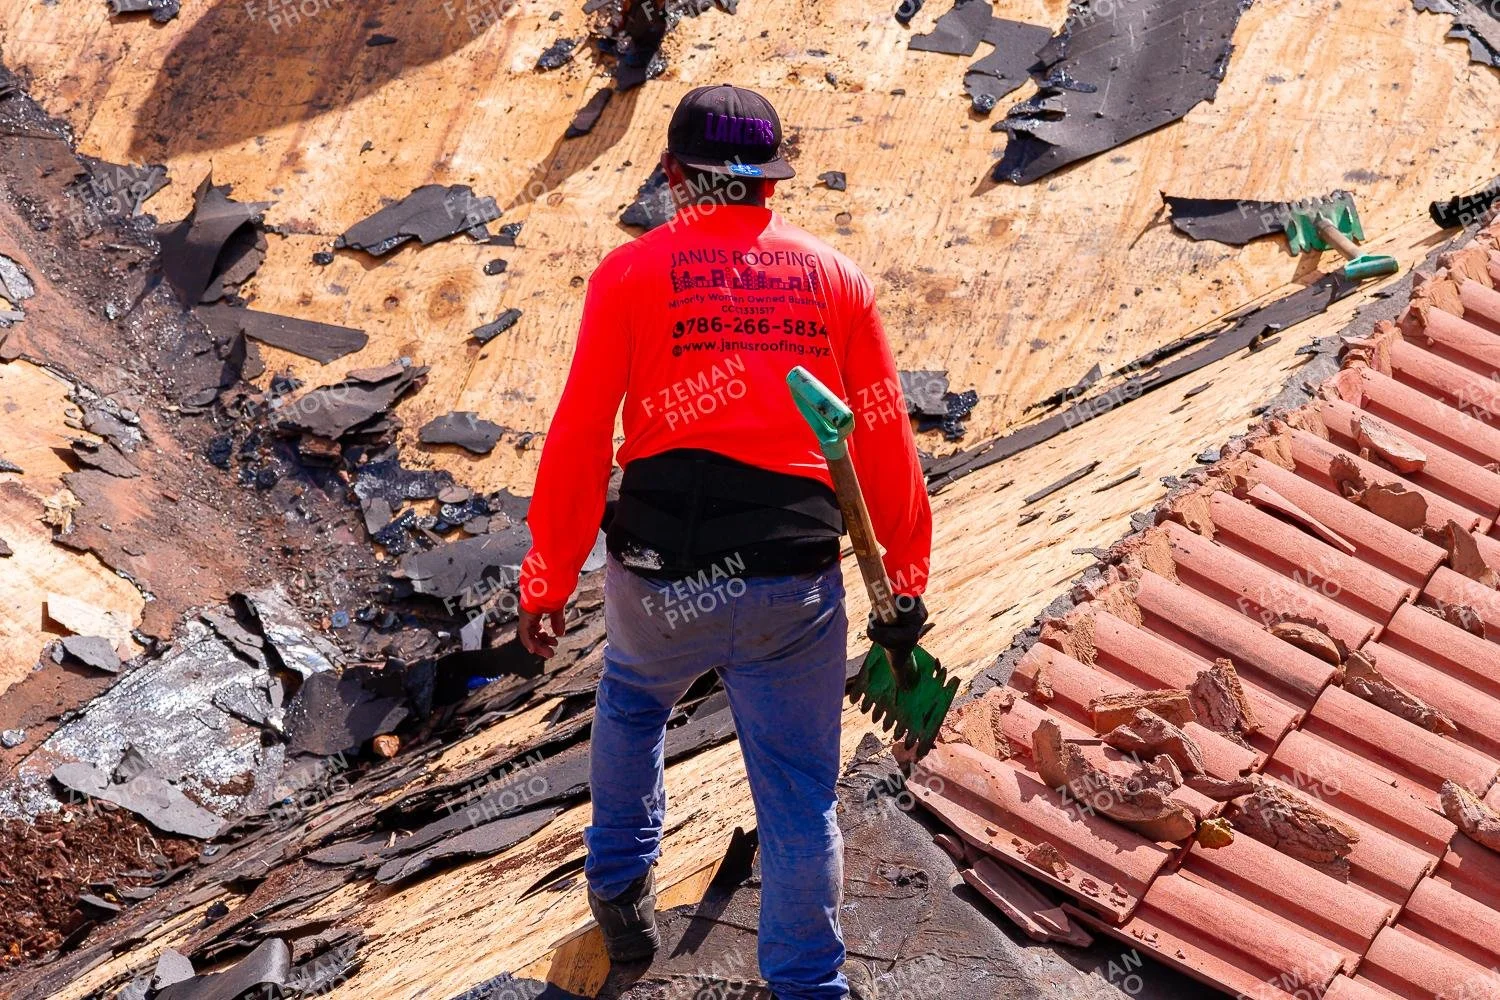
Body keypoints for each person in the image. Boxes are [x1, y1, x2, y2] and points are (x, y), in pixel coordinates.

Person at [517, 83, 932, 1000]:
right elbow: (882, 441)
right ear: (770, 184)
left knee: (632, 702)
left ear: (675, 177)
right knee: (797, 798)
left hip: (659, 573)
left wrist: (544, 585)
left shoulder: (628, 277)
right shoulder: (836, 281)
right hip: (791, 582)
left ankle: (621, 899)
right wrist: (902, 592)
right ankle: (808, 986)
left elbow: (581, 441)